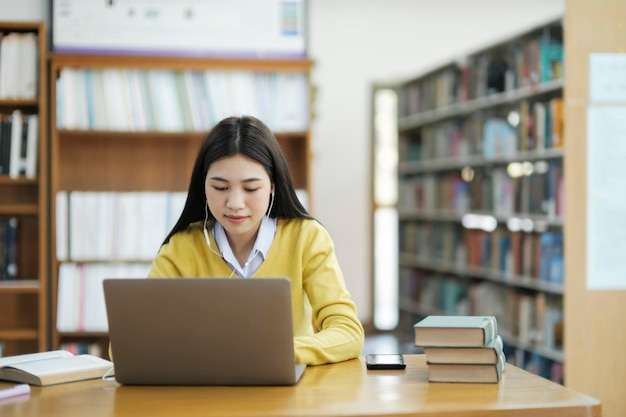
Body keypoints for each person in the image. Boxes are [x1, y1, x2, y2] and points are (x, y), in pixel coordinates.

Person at [148, 115, 364, 365]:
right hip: (206, 394)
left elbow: (349, 333)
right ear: (203, 186)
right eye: (220, 188)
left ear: (273, 185)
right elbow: (133, 340)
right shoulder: (181, 247)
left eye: (251, 189)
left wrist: (273, 351)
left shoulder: (306, 237)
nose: (235, 204)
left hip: (289, 391)